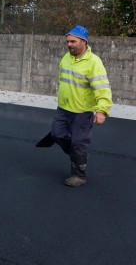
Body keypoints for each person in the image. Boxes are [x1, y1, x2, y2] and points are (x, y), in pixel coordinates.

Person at [50, 25, 112, 187]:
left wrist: (101, 110)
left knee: (78, 143)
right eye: (68, 41)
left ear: (83, 42)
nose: (69, 44)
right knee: (57, 135)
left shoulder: (94, 62)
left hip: (82, 112)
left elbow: (102, 88)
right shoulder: (66, 58)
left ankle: (79, 175)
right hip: (63, 108)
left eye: (73, 41)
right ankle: (79, 155)